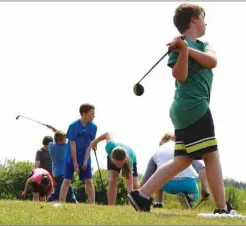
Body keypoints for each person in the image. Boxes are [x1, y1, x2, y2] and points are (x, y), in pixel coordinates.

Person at [127, 3, 234, 214]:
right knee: (211, 156)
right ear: (194, 19)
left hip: (183, 110)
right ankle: (222, 209)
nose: (206, 22)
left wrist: (187, 48)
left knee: (183, 160)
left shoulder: (204, 46)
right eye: (203, 17)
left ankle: (141, 195)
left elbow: (212, 61)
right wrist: (183, 51)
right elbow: (181, 75)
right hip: (193, 107)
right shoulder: (177, 50)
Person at [140, 133, 210, 209]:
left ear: (162, 142)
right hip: (187, 183)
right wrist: (204, 188)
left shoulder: (157, 151)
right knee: (195, 193)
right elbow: (201, 168)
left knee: (158, 176)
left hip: (166, 184)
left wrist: (141, 194)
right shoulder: (185, 148)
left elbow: (145, 180)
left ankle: (159, 203)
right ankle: (189, 198)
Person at [87, 132, 138, 205]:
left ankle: (135, 204)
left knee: (134, 185)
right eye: (116, 164)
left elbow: (130, 188)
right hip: (114, 154)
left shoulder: (129, 160)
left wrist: (131, 206)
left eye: (120, 164)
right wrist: (95, 141)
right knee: (112, 181)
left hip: (130, 157)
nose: (118, 166)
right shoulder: (110, 147)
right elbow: (108, 133)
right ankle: (111, 207)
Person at [59, 103, 97, 204]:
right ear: (84, 114)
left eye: (94, 114)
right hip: (71, 157)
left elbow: (90, 144)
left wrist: (85, 160)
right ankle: (61, 202)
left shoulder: (94, 127)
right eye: (92, 114)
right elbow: (72, 144)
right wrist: (75, 162)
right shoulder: (73, 126)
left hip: (85, 156)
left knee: (88, 180)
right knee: (67, 180)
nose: (94, 116)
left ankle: (92, 204)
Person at [45, 125, 77, 203]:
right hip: (63, 172)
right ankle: (49, 201)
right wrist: (54, 128)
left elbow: (58, 136)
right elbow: (70, 137)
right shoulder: (65, 147)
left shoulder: (51, 146)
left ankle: (74, 201)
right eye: (64, 139)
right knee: (58, 191)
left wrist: (53, 129)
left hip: (56, 172)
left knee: (67, 188)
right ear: (61, 140)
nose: (65, 140)